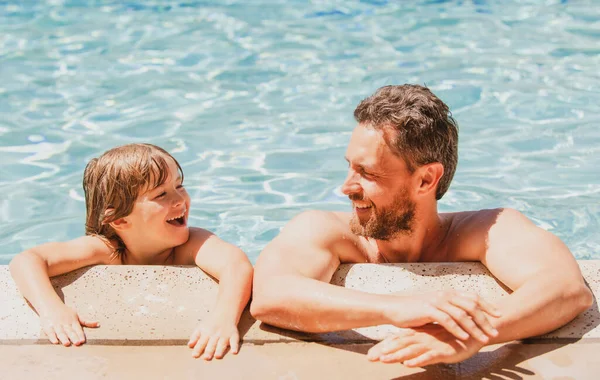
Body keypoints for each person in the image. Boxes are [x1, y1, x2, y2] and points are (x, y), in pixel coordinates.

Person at [250, 85, 593, 367]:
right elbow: (270, 296)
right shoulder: (322, 228)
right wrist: (396, 307)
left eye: (367, 173)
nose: (346, 187)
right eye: (350, 167)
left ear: (426, 179)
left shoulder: (484, 229)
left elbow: (566, 288)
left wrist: (469, 333)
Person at [9, 143, 253, 360]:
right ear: (119, 220)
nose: (180, 200)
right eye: (161, 194)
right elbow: (27, 260)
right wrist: (52, 310)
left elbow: (237, 265)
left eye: (179, 186)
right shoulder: (107, 249)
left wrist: (224, 318)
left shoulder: (191, 244)